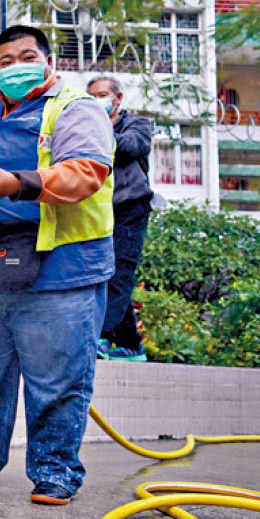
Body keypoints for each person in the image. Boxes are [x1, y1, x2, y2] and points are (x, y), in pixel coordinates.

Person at [0, 25, 115, 505]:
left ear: (49, 62)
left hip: (61, 272)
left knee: (56, 380)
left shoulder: (76, 109)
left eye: (27, 55)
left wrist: (16, 183)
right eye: (6, 60)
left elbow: (85, 174)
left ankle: (55, 472)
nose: (16, 65)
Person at [87, 75, 153, 362]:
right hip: (98, 210)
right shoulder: (88, 127)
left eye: (103, 94)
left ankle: (101, 336)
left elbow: (130, 145)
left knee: (119, 272)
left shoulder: (138, 124)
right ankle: (130, 343)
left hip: (130, 209)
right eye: (92, 96)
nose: (98, 100)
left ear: (118, 98)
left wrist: (97, 136)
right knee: (103, 272)